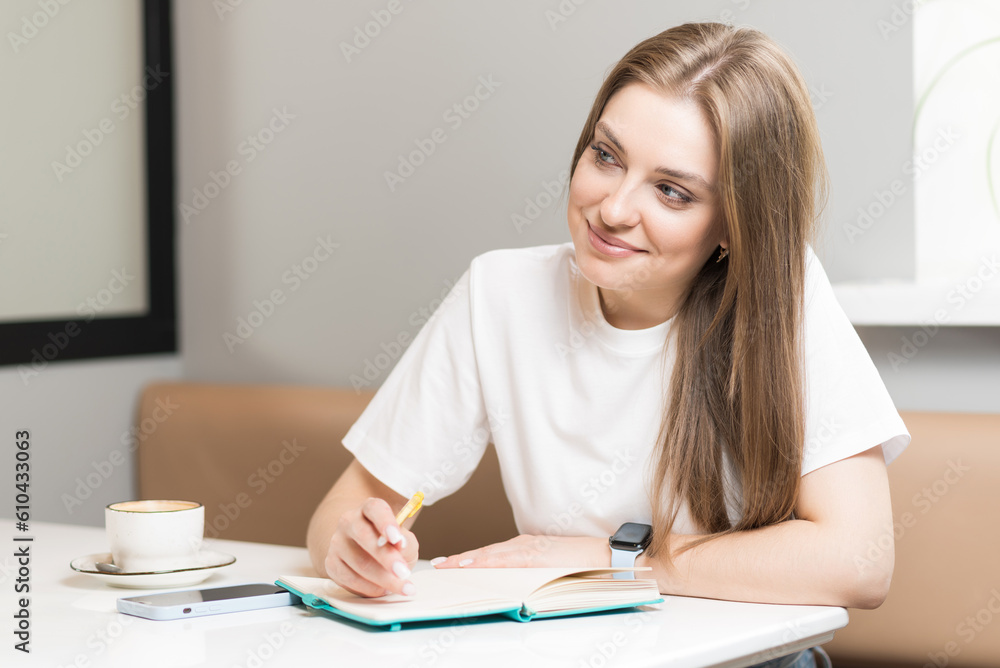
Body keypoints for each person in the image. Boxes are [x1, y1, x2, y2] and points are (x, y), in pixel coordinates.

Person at [307, 22, 909, 668]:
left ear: (733, 227)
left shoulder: (783, 301)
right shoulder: (499, 293)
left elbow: (861, 561)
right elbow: (342, 511)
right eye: (606, 156)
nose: (613, 208)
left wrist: (616, 561)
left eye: (671, 191)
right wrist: (352, 548)